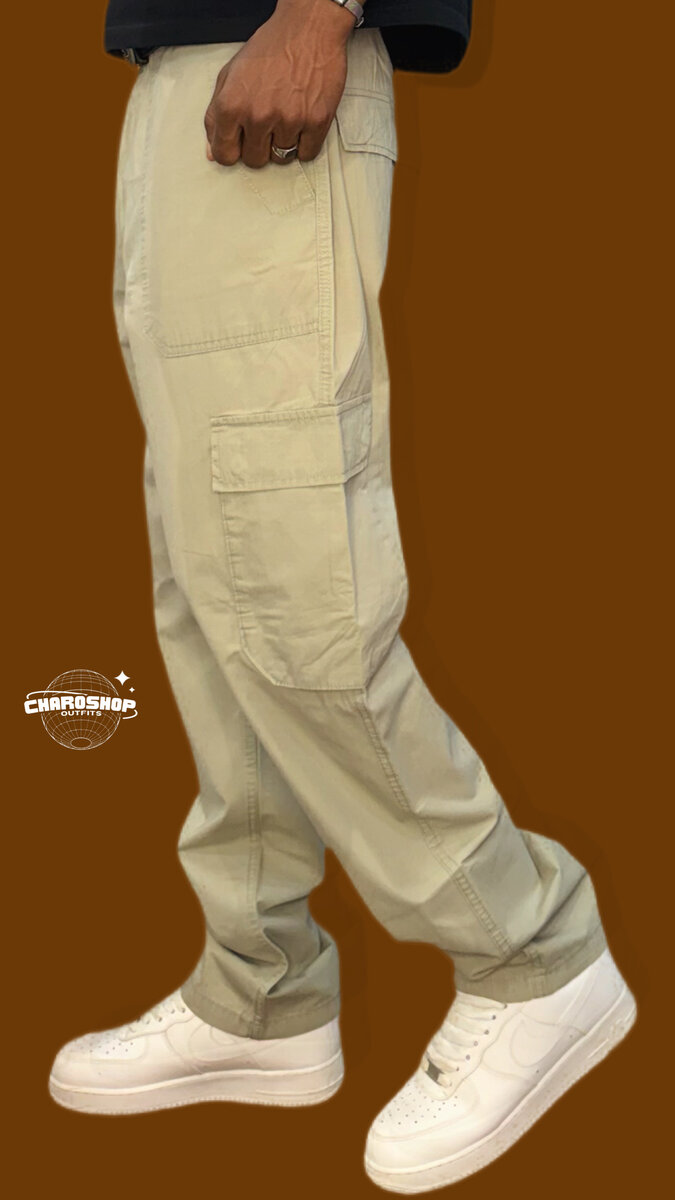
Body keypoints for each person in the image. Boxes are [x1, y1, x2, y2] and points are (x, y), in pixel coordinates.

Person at [49, 1, 636, 1190]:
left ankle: (534, 949)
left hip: (269, 65)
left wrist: (320, 8)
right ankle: (260, 986)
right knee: (208, 583)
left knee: (286, 573)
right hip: (181, 79)